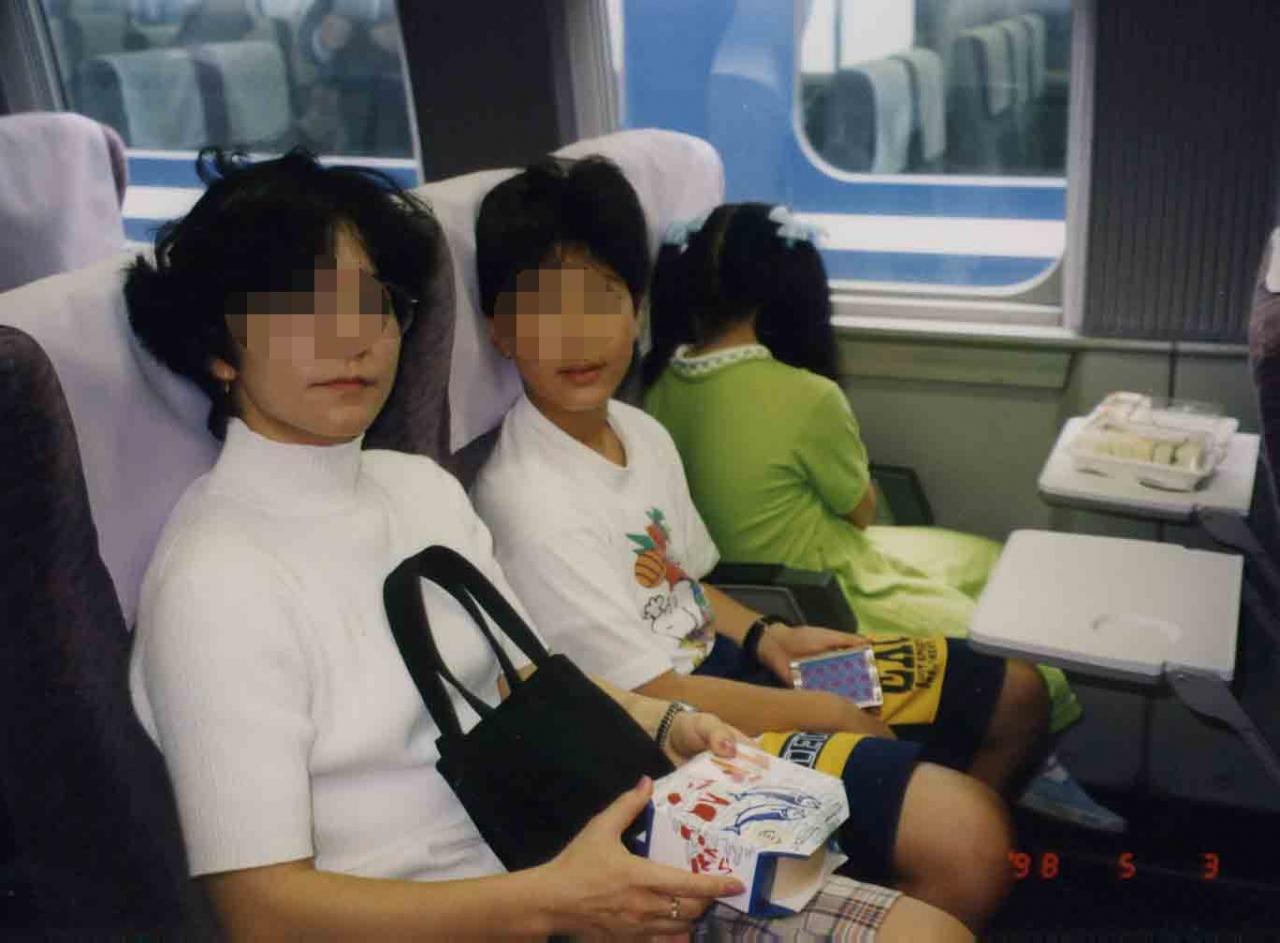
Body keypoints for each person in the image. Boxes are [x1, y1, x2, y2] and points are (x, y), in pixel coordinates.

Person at [125, 148, 967, 940]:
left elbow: (527, 679)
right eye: (299, 308)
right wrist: (557, 899)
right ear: (217, 347)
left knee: (936, 911)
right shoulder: (216, 580)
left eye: (368, 301)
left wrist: (669, 721)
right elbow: (261, 910)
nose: (350, 337)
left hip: (573, 840)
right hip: (481, 905)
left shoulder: (419, 488)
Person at [470, 156, 1055, 931]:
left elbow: (683, 583)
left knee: (1016, 691)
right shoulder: (526, 498)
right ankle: (892, 851)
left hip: (736, 666)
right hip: (677, 737)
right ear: (500, 328)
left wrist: (770, 636)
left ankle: (882, 847)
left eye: (602, 300)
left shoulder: (640, 431)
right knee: (971, 838)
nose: (578, 335)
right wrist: (821, 710)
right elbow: (648, 690)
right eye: (545, 310)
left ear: (637, 310)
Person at [641, 202, 1084, 738]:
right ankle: (1026, 749)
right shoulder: (807, 395)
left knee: (993, 562)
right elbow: (860, 511)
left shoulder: (658, 388)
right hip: (824, 588)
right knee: (1017, 652)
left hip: (751, 584)